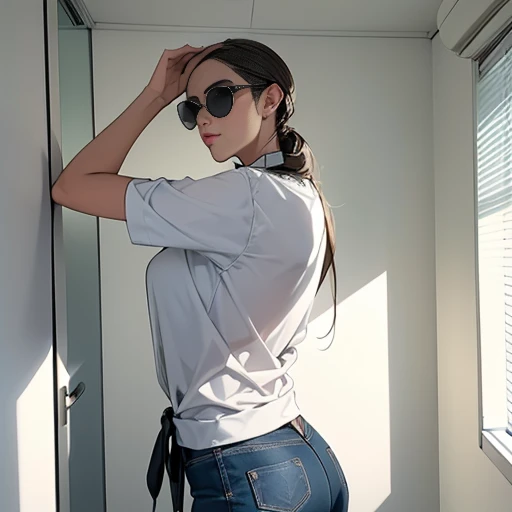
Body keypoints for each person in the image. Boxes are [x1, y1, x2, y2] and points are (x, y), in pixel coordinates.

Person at [52, 38, 349, 512]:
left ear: (270, 100)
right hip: (298, 457)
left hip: (247, 469)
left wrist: (154, 94)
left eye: (219, 97)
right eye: (191, 108)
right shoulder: (298, 193)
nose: (203, 118)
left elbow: (73, 186)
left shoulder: (246, 197)